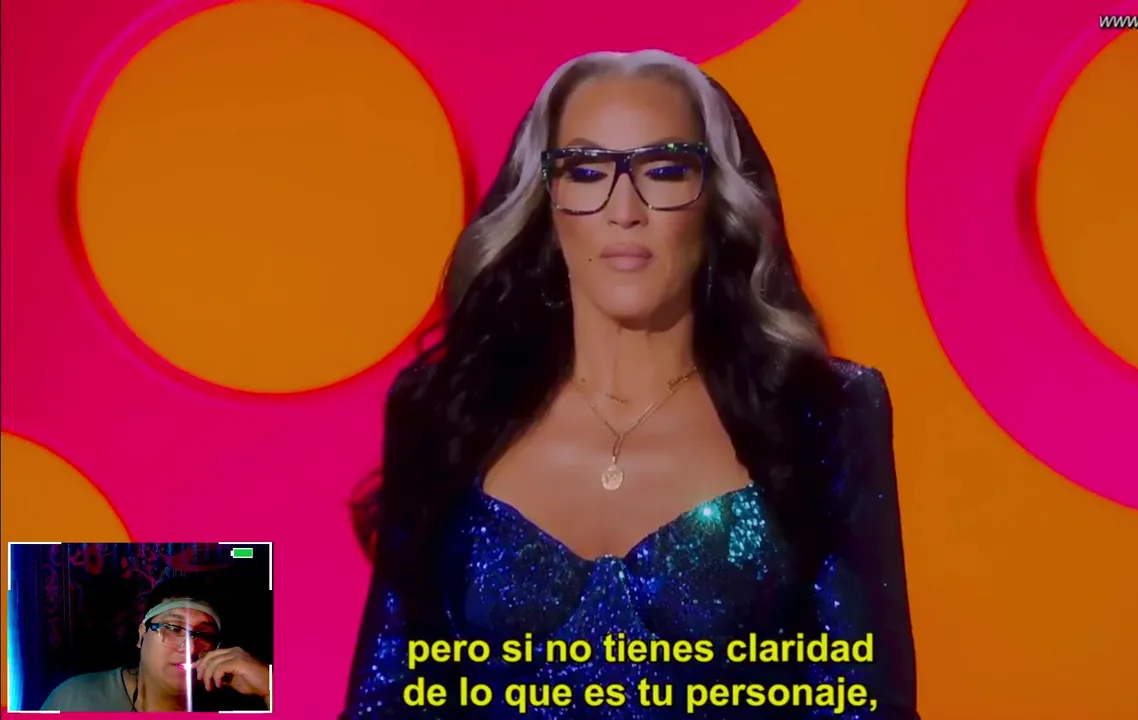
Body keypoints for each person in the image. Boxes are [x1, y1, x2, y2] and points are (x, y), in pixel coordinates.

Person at [343, 49, 918, 719]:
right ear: (546, 201)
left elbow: (865, 703)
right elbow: (385, 700)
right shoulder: (443, 411)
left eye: (665, 170)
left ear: (718, 200)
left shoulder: (825, 412)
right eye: (587, 171)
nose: (625, 209)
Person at [40, 577, 271, 712]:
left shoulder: (237, 704)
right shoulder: (75, 699)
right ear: (142, 635)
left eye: (203, 634)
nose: (190, 648)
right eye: (173, 628)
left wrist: (270, 688)